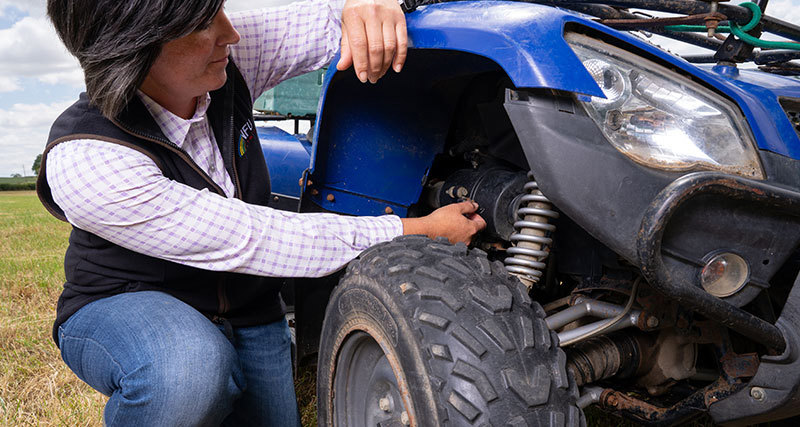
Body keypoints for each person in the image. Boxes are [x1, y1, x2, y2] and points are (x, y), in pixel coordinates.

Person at [37, 0, 485, 425]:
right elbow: (254, 238)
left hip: (248, 307)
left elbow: (330, 20)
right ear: (132, 46)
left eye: (219, 11)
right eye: (202, 25)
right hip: (131, 300)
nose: (229, 33)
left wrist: (365, 5)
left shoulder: (227, 56)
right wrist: (412, 231)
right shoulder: (86, 159)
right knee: (189, 372)